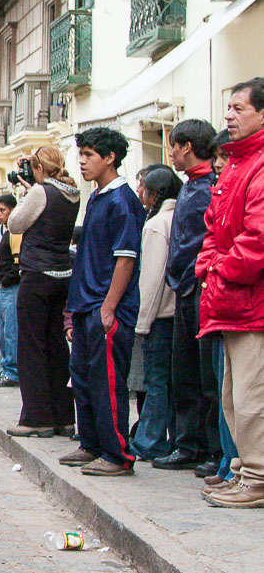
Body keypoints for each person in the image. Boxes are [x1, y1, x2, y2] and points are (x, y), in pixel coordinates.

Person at [61, 128, 145, 476]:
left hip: (105, 307)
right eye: (80, 154)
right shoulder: (96, 197)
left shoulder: (123, 201)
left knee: (107, 381)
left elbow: (125, 259)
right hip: (84, 304)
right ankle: (91, 444)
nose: (82, 161)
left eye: (89, 155)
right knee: (82, 376)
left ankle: (117, 454)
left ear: (110, 158)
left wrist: (108, 307)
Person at [198, 78, 264, 508]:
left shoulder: (257, 165)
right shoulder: (240, 164)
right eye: (229, 108)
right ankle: (243, 469)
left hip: (250, 302)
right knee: (233, 396)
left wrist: (217, 271)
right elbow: (213, 228)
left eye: (239, 108)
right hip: (231, 302)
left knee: (252, 395)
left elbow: (256, 240)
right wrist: (210, 266)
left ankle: (257, 476)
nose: (228, 116)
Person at [155, 118, 220, 473]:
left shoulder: (208, 187)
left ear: (188, 148)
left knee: (204, 374)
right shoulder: (189, 188)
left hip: (199, 288)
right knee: (185, 372)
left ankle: (210, 448)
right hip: (185, 288)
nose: (171, 153)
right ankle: (188, 443)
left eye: (174, 146)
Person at [5, 147, 80, 438]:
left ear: (38, 168)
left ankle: (36, 417)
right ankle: (63, 416)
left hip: (37, 275)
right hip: (62, 273)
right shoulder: (72, 193)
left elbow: (15, 223)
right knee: (56, 346)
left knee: (32, 347)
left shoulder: (40, 192)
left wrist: (29, 192)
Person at [130, 167, 181, 461]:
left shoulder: (156, 224)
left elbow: (151, 278)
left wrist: (142, 321)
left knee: (156, 382)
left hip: (159, 316)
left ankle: (150, 439)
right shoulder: (181, 217)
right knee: (172, 383)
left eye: (144, 188)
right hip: (178, 314)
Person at [201, 128, 239, 490]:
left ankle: (238, 467)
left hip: (237, 303)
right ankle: (230, 463)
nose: (218, 165)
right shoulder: (219, 192)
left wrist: (216, 268)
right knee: (225, 391)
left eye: (225, 157)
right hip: (219, 302)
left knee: (241, 396)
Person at [0, 194, 21, 387]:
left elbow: (18, 263)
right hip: (5, 287)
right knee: (2, 331)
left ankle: (12, 371)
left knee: (10, 331)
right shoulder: (7, 231)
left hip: (11, 287)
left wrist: (6, 279)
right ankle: (5, 368)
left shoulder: (15, 231)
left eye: (2, 210)